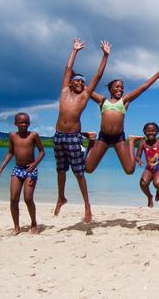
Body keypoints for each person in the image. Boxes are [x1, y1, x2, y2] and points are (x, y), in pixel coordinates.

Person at [53, 38, 110, 223]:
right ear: (70, 83)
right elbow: (68, 69)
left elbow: (98, 77)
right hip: (58, 136)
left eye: (82, 81)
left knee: (79, 173)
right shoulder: (63, 91)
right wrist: (74, 51)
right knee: (60, 170)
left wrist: (105, 56)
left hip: (73, 137)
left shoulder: (85, 96)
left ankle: (87, 206)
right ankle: (61, 197)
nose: (80, 83)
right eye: (76, 80)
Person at [85, 62, 159, 174]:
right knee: (88, 169)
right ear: (110, 89)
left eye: (122, 88)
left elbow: (144, 87)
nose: (120, 89)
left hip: (119, 137)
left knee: (130, 170)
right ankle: (91, 140)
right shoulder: (102, 100)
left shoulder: (125, 101)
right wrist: (74, 76)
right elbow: (86, 89)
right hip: (103, 137)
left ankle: (131, 141)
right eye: (117, 87)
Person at [0, 113, 45, 235]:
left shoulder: (33, 135)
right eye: (21, 122)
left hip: (30, 170)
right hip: (17, 169)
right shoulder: (12, 136)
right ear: (15, 124)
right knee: (13, 199)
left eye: (26, 122)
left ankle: (33, 223)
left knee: (28, 198)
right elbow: (10, 153)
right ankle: (16, 227)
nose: (24, 125)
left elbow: (42, 152)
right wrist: (0, 169)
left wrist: (34, 164)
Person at [136, 122, 159, 208]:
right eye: (148, 131)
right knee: (143, 184)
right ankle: (149, 197)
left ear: (157, 131)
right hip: (149, 168)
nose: (151, 132)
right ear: (144, 132)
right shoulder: (142, 143)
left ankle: (158, 190)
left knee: (157, 184)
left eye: (153, 131)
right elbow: (137, 156)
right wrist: (139, 160)